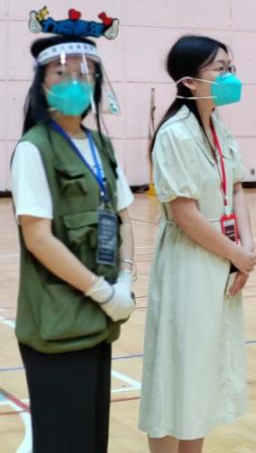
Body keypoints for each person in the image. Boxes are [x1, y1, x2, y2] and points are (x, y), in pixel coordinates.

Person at [10, 34, 136, 453]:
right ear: (41, 83)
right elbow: (38, 239)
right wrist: (102, 291)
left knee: (92, 439)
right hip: (57, 323)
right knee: (63, 441)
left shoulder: (101, 144)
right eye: (61, 73)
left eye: (85, 74)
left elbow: (123, 217)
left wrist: (126, 279)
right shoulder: (34, 149)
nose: (75, 82)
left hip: (98, 323)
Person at [139, 36, 256, 452]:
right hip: (189, 261)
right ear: (189, 81)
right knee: (176, 371)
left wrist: (246, 249)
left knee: (203, 369)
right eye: (219, 69)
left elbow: (236, 187)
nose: (229, 76)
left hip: (222, 257)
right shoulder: (175, 134)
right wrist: (235, 253)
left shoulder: (218, 127)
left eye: (230, 67)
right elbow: (185, 214)